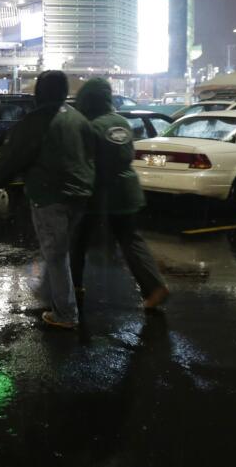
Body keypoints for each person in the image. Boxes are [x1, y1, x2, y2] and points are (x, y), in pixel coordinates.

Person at [0, 70, 95, 330]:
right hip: (80, 194)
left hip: (50, 195)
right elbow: (91, 155)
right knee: (60, 250)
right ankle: (57, 292)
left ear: (40, 92)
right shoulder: (78, 118)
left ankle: (65, 313)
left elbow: (14, 156)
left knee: (55, 254)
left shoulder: (38, 119)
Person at [70, 79, 169, 310]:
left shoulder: (91, 126)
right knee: (130, 240)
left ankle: (73, 288)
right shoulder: (121, 122)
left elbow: (84, 161)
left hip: (100, 193)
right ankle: (155, 287)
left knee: (77, 239)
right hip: (127, 189)